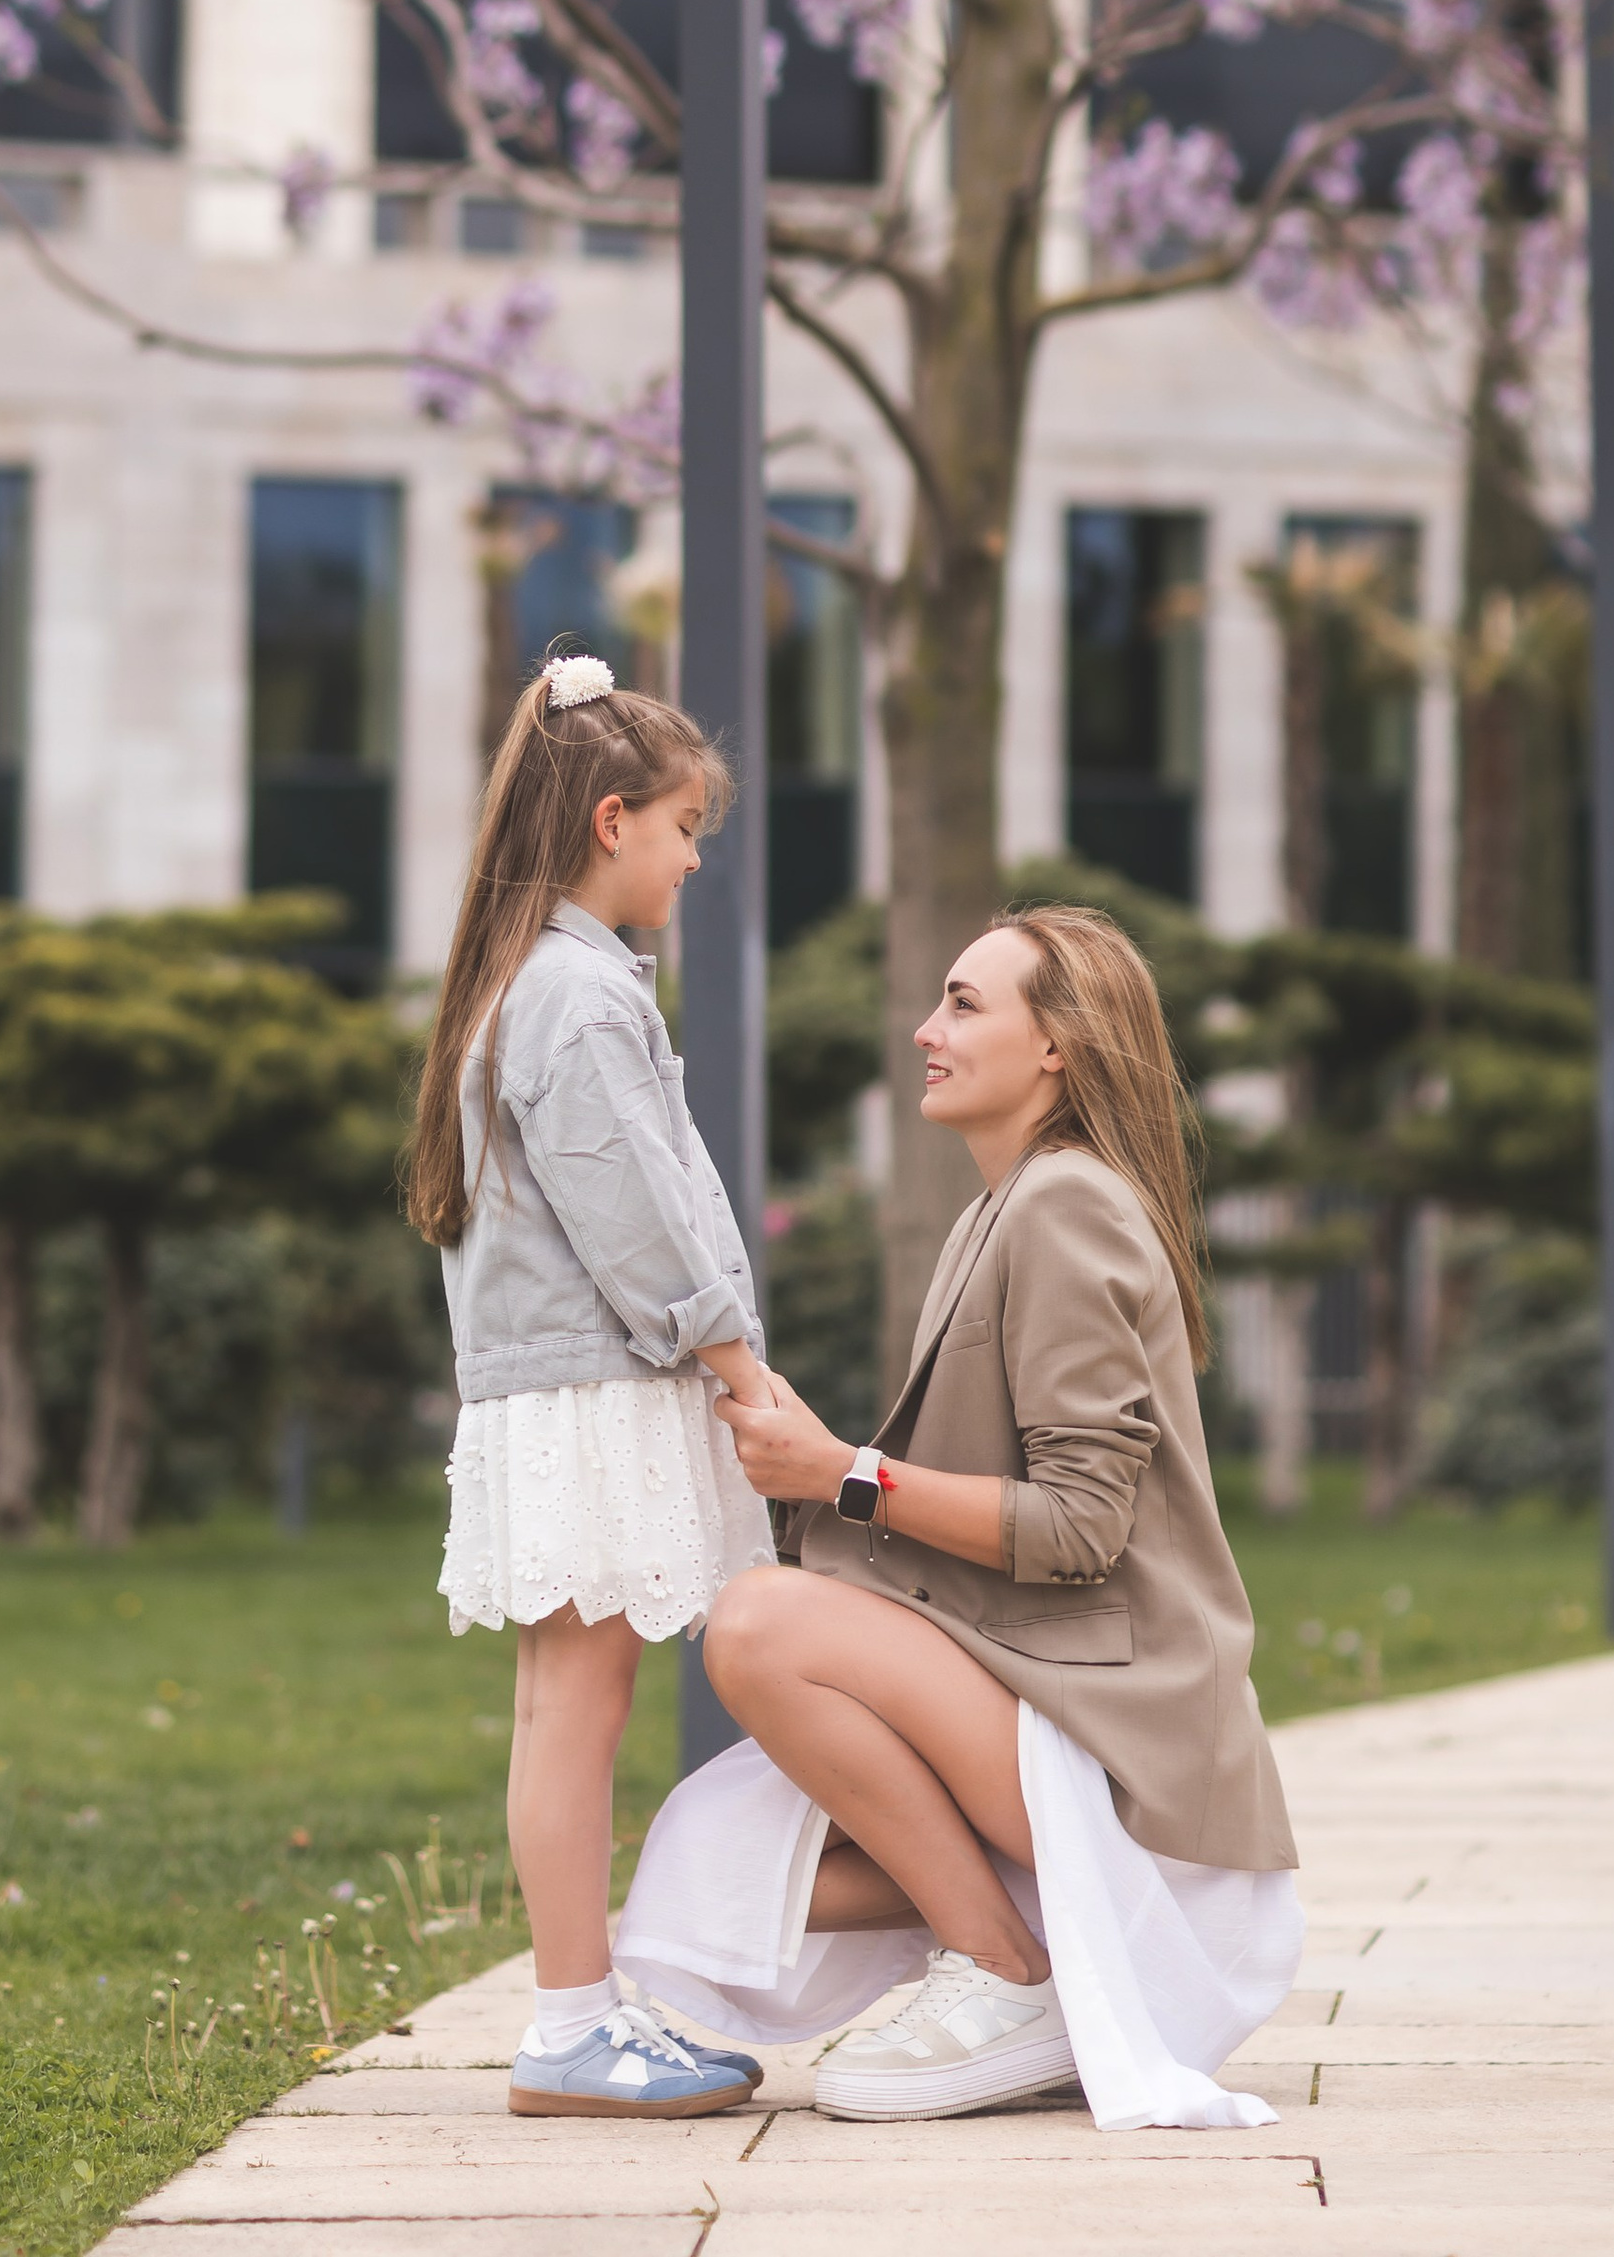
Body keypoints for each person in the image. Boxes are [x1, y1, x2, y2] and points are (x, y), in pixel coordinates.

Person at [617, 901, 1303, 2129]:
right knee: (711, 1877)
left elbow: (1079, 1527)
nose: (925, 1030)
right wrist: (815, 1467)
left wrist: (846, 1473)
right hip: (1054, 1715)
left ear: (1056, 1047)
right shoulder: (1000, 1209)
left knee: (761, 1625)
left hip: (1132, 1755)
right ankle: (1027, 1953)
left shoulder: (1066, 1205)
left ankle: (1006, 1966)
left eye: (964, 1004)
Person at [404, 649, 777, 2122]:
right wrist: (741, 1369)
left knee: (563, 1700)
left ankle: (581, 2008)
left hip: (553, 1387)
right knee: (580, 1701)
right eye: (685, 829)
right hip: (589, 1389)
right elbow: (640, 1218)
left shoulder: (539, 980)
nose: (693, 859)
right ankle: (572, 2021)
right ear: (612, 821)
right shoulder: (575, 994)